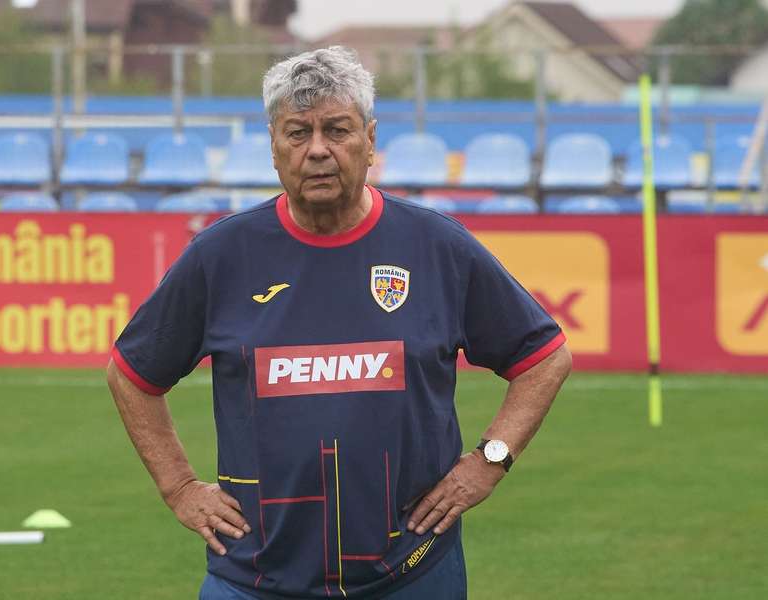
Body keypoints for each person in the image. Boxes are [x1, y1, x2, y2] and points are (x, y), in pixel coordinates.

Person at [107, 46, 572, 600]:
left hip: (413, 568)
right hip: (255, 576)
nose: (318, 150)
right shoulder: (221, 256)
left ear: (370, 141)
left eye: (338, 129)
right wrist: (180, 486)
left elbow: (543, 356)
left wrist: (489, 460)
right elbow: (132, 373)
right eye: (297, 133)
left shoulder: (436, 246)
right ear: (274, 148)